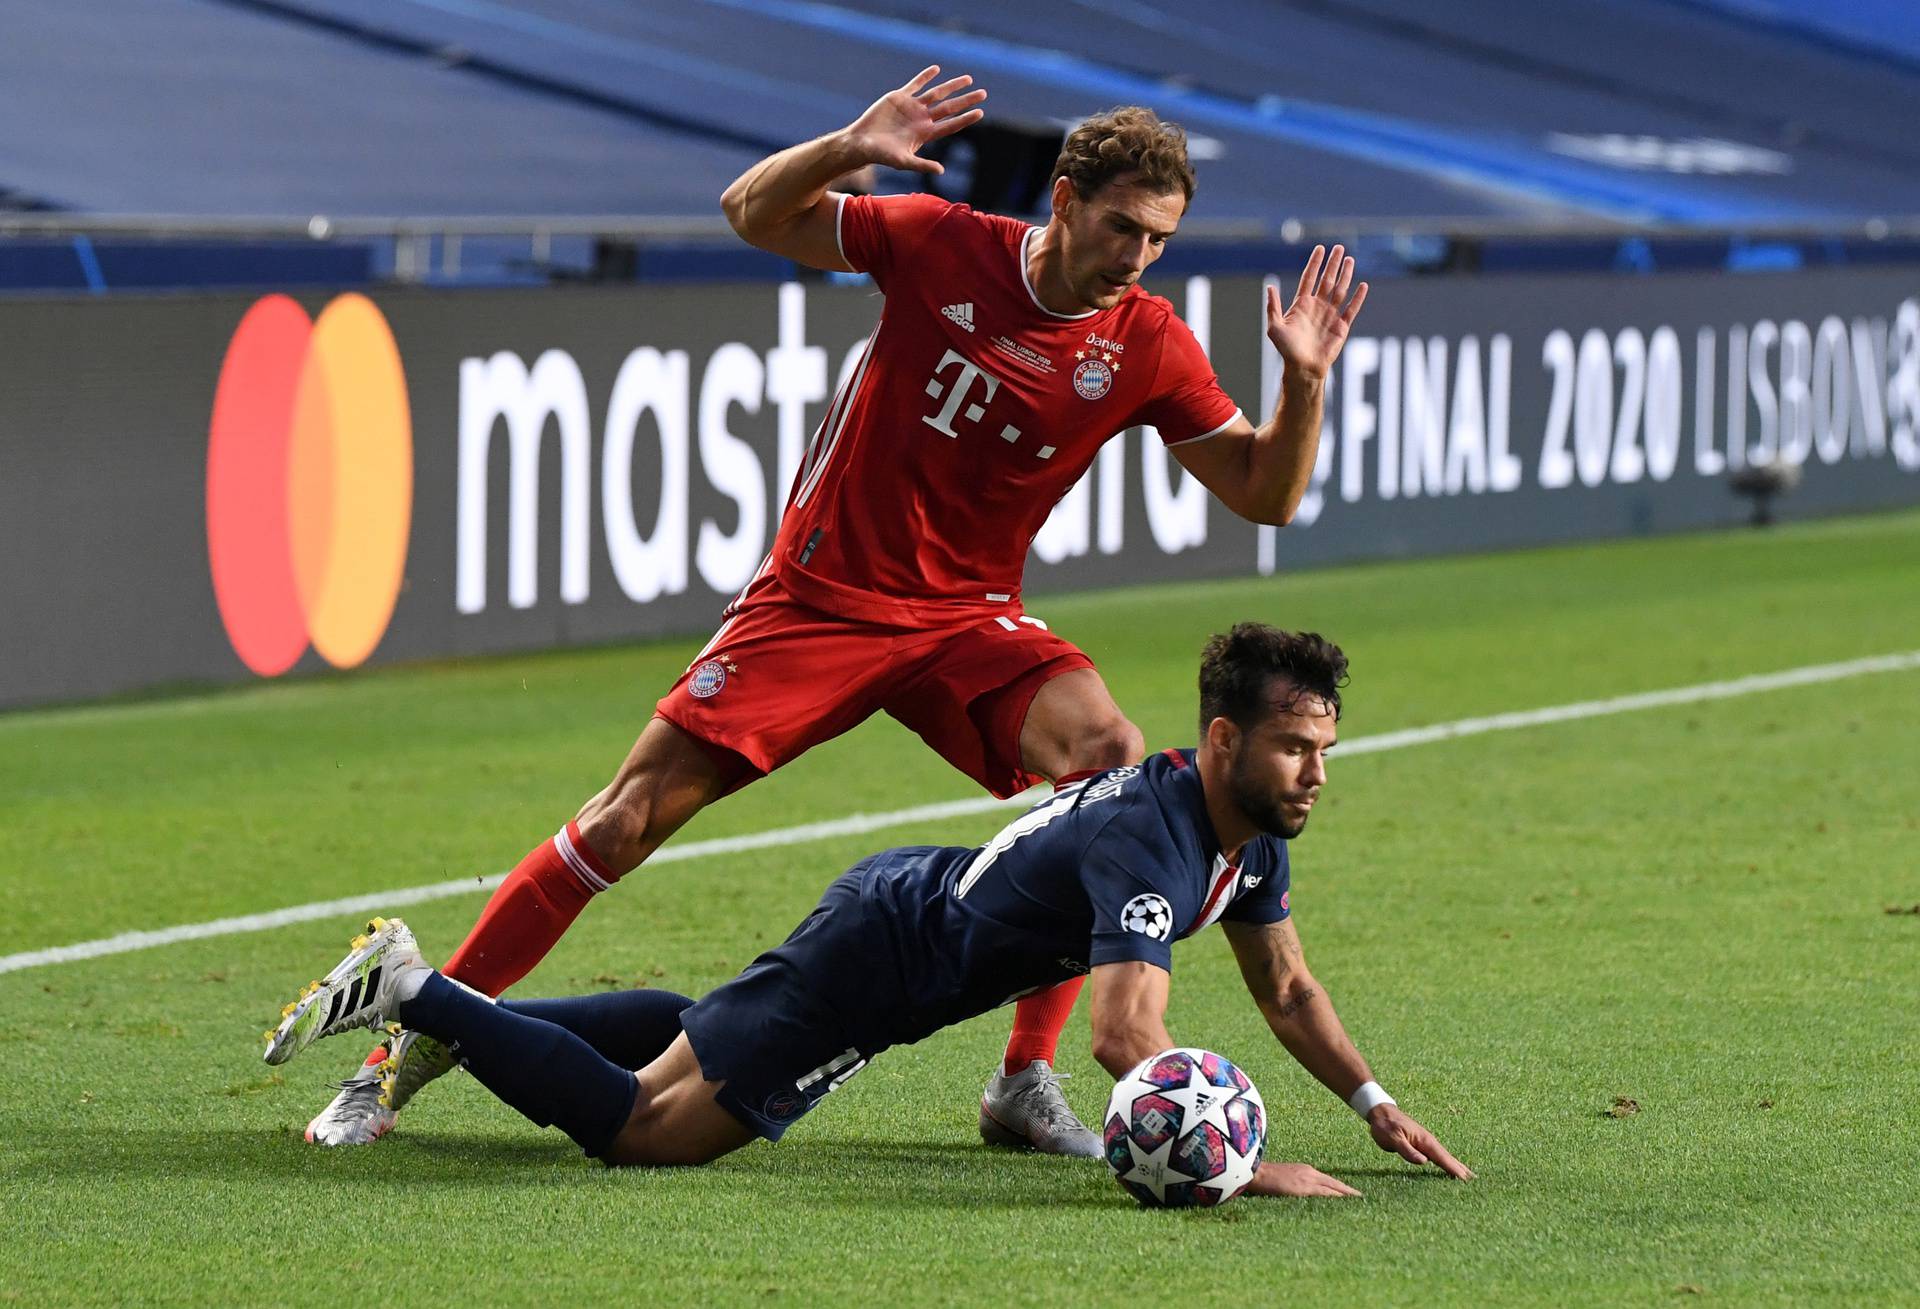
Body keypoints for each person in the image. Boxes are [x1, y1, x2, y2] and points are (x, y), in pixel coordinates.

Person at [304, 66, 1370, 1156]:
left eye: (1158, 239)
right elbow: (751, 212)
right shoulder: (940, 242)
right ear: (1062, 199)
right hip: (820, 596)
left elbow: (1265, 494)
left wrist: (1306, 385)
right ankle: (393, 1060)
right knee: (625, 820)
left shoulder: (1144, 340)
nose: (1137, 257)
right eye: (1121, 228)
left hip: (966, 619)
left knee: (1107, 760)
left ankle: (1022, 1080)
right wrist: (846, 145)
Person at [269, 626, 1469, 1196]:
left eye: (1324, 748)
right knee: (651, 1131)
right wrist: (1248, 1166)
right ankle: (418, 991)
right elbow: (1124, 1038)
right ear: (1223, 741)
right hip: (885, 956)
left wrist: (1374, 1105)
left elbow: (1289, 988)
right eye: (1294, 746)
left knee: (704, 1030)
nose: (1316, 770)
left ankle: (456, 1011)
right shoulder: (1152, 838)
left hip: (899, 921)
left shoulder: (1245, 835)